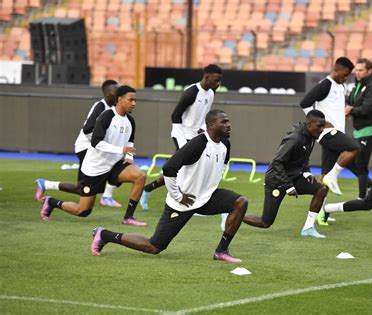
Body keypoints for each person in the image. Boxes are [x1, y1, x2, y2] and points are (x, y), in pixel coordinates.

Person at [90, 110, 248, 263]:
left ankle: (221, 251)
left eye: (228, 122)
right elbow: (168, 168)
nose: (229, 125)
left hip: (206, 197)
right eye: (224, 122)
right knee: (154, 246)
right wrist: (178, 195)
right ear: (212, 125)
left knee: (240, 202)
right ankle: (104, 235)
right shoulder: (198, 143)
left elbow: (221, 167)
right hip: (183, 202)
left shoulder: (225, 145)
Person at [39, 85, 147, 226]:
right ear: (120, 99)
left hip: (114, 165)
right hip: (95, 168)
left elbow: (130, 142)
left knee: (140, 177)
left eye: (135, 100)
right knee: (83, 211)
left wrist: (129, 158)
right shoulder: (106, 116)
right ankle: (51, 202)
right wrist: (121, 150)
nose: (134, 103)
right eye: (130, 99)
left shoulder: (130, 121)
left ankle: (128, 217)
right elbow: (96, 142)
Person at [140, 64, 223, 211]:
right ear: (207, 77)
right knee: (187, 171)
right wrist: (182, 142)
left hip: (198, 136)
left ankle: (147, 189)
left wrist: (203, 131)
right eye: (216, 80)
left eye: (220, 81)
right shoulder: (191, 92)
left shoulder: (211, 93)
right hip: (182, 135)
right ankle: (186, 204)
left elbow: (204, 116)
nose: (218, 84)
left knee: (188, 171)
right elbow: (175, 115)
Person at [35, 80, 122, 208]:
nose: (119, 95)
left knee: (81, 188)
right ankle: (107, 197)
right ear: (108, 94)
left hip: (94, 148)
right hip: (86, 147)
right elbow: (87, 129)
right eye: (116, 92)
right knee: (114, 166)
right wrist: (98, 143)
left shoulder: (113, 109)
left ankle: (46, 184)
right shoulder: (101, 107)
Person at [243, 110, 328, 238]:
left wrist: (306, 172)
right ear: (309, 123)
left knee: (321, 189)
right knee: (265, 222)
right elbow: (277, 162)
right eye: (319, 126)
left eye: (323, 126)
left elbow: (303, 157)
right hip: (276, 181)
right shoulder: (295, 138)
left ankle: (308, 228)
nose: (322, 129)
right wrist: (288, 185)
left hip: (294, 177)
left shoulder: (311, 136)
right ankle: (232, 214)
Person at [300, 57, 360, 199]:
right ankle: (333, 177)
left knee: (324, 175)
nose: (346, 78)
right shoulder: (325, 84)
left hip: (336, 132)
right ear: (336, 69)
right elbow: (305, 102)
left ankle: (318, 214)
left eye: (348, 76)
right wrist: (321, 122)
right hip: (327, 133)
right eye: (344, 74)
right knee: (355, 148)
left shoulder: (340, 86)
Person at [345, 58, 372, 199]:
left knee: (361, 164)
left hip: (370, 130)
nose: (357, 73)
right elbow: (349, 102)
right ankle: (371, 186)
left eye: (361, 70)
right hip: (358, 130)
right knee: (347, 160)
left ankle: (362, 198)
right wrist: (348, 109)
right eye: (356, 70)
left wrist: (350, 111)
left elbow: (366, 109)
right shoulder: (357, 86)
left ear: (370, 71)